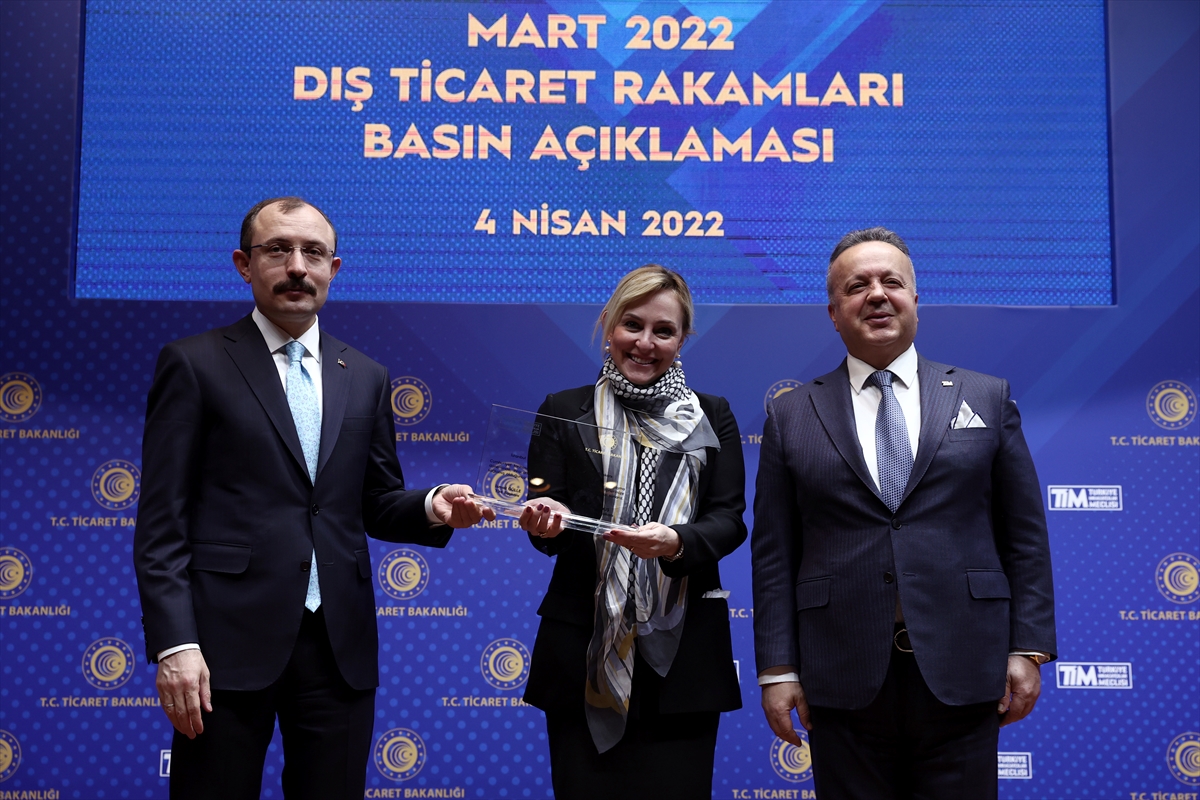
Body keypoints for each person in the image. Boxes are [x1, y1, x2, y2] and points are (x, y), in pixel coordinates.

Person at [133, 196, 491, 800]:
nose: (297, 266)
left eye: (313, 253)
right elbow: (161, 523)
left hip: (339, 648)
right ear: (244, 264)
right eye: (278, 250)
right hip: (222, 648)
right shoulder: (193, 363)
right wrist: (176, 644)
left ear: (333, 268)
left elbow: (375, 500)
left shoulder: (367, 375)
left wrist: (432, 506)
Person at [751, 227, 1056, 800]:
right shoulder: (790, 415)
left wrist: (1028, 647)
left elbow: (1025, 537)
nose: (877, 294)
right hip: (839, 673)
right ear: (833, 313)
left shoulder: (986, 396)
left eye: (891, 282)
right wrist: (777, 670)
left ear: (915, 299)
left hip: (965, 665)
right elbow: (773, 556)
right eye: (856, 286)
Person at [515, 265, 746, 799]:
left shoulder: (712, 415)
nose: (645, 343)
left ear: (682, 339)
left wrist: (678, 542)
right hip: (581, 652)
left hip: (684, 661)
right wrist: (545, 521)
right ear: (609, 325)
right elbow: (547, 528)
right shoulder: (562, 410)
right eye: (632, 325)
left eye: (663, 331)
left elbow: (728, 519)